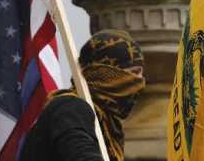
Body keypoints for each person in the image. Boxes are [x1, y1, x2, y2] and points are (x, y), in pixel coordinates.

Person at [19, 29, 146, 161]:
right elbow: (81, 154)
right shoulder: (70, 108)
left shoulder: (108, 124)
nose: (141, 82)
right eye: (134, 72)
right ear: (104, 73)